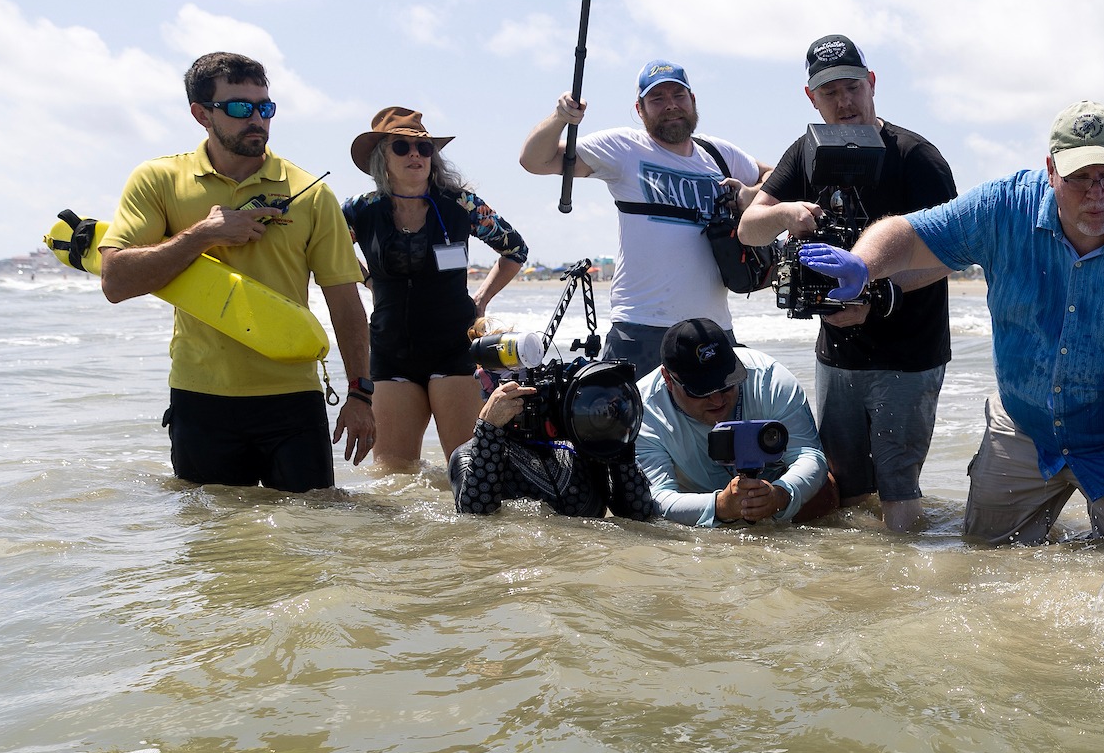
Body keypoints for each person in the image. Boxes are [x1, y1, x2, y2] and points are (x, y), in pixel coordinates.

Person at [798, 101, 1104, 544]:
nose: (1095, 193)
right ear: (1050, 169)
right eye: (1079, 177)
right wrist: (863, 265)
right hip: (1026, 424)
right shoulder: (1004, 206)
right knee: (983, 556)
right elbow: (910, 234)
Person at [97, 51, 375, 491]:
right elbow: (115, 281)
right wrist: (202, 235)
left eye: (265, 108)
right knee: (215, 547)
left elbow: (345, 302)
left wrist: (360, 393)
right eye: (241, 108)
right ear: (201, 113)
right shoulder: (159, 180)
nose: (258, 120)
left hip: (293, 399)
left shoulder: (311, 194)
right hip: (201, 397)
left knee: (309, 542)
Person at [735, 35, 958, 532]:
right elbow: (750, 227)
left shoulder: (916, 157)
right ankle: (861, 588)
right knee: (846, 488)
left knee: (899, 492)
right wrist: (786, 212)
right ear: (811, 98)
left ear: (872, 83)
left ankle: (904, 590)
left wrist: (877, 297)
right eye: (830, 91)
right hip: (838, 352)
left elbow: (953, 253)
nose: (844, 102)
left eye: (853, 87)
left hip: (909, 352)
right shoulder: (805, 152)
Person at [518, 61, 762, 375]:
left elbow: (777, 177)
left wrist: (750, 195)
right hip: (641, 329)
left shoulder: (719, 154)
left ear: (693, 100)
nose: (671, 105)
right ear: (640, 109)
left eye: (679, 95)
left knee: (718, 422)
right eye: (657, 99)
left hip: (714, 329)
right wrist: (560, 118)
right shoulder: (624, 147)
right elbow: (534, 160)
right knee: (635, 424)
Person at [342, 107, 529, 469]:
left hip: (453, 347)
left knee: (469, 469)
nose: (415, 155)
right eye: (402, 147)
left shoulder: (461, 205)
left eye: (423, 149)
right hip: (390, 348)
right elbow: (324, 252)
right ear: (382, 156)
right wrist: (367, 280)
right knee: (394, 478)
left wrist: (482, 298)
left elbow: (515, 249)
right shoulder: (360, 210)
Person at [634, 319, 836, 528]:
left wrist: (781, 494)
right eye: (701, 391)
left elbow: (809, 455)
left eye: (726, 387)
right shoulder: (644, 410)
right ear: (668, 379)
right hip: (698, 499)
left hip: (774, 486)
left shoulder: (771, 379)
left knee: (826, 491)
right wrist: (719, 506)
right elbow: (657, 498)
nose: (717, 401)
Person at [449, 361, 659, 520]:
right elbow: (475, 519)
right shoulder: (468, 455)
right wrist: (488, 430)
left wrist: (617, 434)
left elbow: (639, 514)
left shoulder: (580, 443)